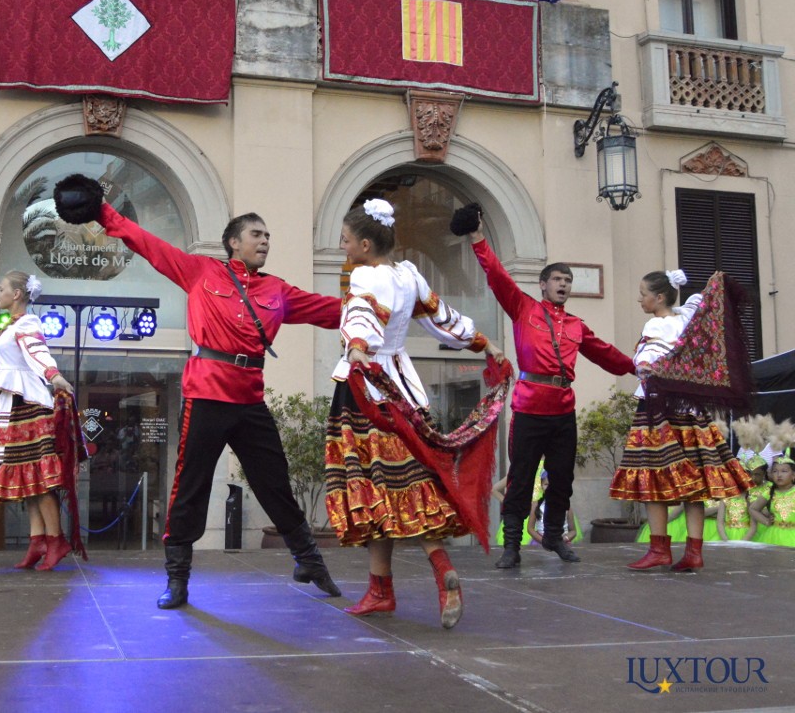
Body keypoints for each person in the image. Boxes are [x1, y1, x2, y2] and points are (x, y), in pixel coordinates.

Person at [70, 175, 342, 610]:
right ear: (234, 242)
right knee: (190, 487)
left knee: (275, 482)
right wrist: (101, 211)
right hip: (206, 393)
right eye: (257, 234)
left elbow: (331, 311)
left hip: (250, 399)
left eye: (268, 236)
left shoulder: (277, 290)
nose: (265, 241)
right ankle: (177, 579)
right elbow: (147, 244)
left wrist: (387, 306)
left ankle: (308, 560)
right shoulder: (201, 271)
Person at [325, 200, 506, 628]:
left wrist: (358, 346)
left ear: (365, 244)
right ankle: (395, 584)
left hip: (367, 390)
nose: (343, 247)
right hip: (405, 390)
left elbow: (363, 311)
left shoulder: (365, 275)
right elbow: (444, 318)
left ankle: (404, 581)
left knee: (376, 488)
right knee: (406, 483)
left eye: (346, 240)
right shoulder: (409, 275)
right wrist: (486, 343)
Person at [467, 214, 635, 568]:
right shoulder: (523, 307)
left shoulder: (576, 325)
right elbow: (497, 276)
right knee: (520, 479)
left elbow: (605, 353)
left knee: (561, 479)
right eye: (558, 279)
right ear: (543, 284)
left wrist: (637, 368)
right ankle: (512, 545)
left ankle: (555, 537)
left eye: (568, 281)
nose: (563, 284)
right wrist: (479, 238)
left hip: (563, 411)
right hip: (529, 407)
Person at [611, 270, 753, 572]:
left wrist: (644, 365)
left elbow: (647, 362)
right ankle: (694, 551)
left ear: (659, 297)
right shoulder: (687, 319)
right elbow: (698, 302)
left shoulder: (656, 324)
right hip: (690, 409)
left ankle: (659, 549)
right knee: (696, 479)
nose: (639, 299)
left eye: (643, 294)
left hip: (658, 408)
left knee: (652, 474)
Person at [0, 271, 79, 571]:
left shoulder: (27, 324)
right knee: (29, 478)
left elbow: (38, 351)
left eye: (2, 288)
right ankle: (38, 540)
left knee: (40, 478)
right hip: (14, 404)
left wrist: (54, 375)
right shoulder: (12, 325)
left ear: (17, 294)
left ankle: (56, 540)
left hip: (29, 404)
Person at [750, 455, 795, 547]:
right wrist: (765, 521)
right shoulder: (769, 492)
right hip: (773, 536)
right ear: (770, 474)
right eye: (775, 471)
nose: (779, 475)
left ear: (793, 475)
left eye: (784, 471)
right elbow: (753, 509)